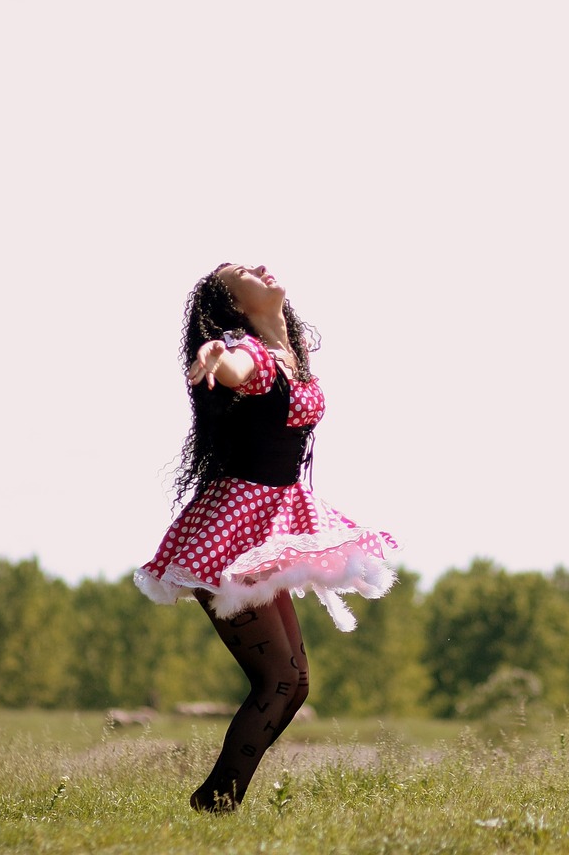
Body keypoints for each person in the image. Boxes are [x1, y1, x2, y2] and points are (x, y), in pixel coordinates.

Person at [134, 262, 397, 811]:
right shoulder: (248, 352)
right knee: (278, 681)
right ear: (235, 305)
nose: (257, 266)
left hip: (271, 525)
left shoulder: (290, 352)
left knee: (295, 685)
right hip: (229, 536)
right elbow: (233, 366)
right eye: (240, 273)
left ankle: (217, 797)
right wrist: (212, 357)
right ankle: (217, 802)